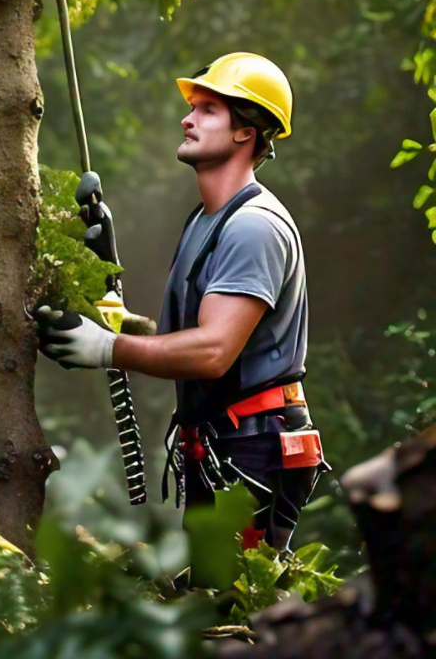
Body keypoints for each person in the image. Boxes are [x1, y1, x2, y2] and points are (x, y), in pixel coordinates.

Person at [35, 52, 328, 550]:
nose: (187, 118)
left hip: (255, 446)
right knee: (209, 604)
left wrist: (106, 349)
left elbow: (213, 352)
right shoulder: (206, 220)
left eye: (207, 109)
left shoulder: (254, 227)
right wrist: (117, 319)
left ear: (246, 131)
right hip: (221, 442)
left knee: (233, 611)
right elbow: (204, 337)